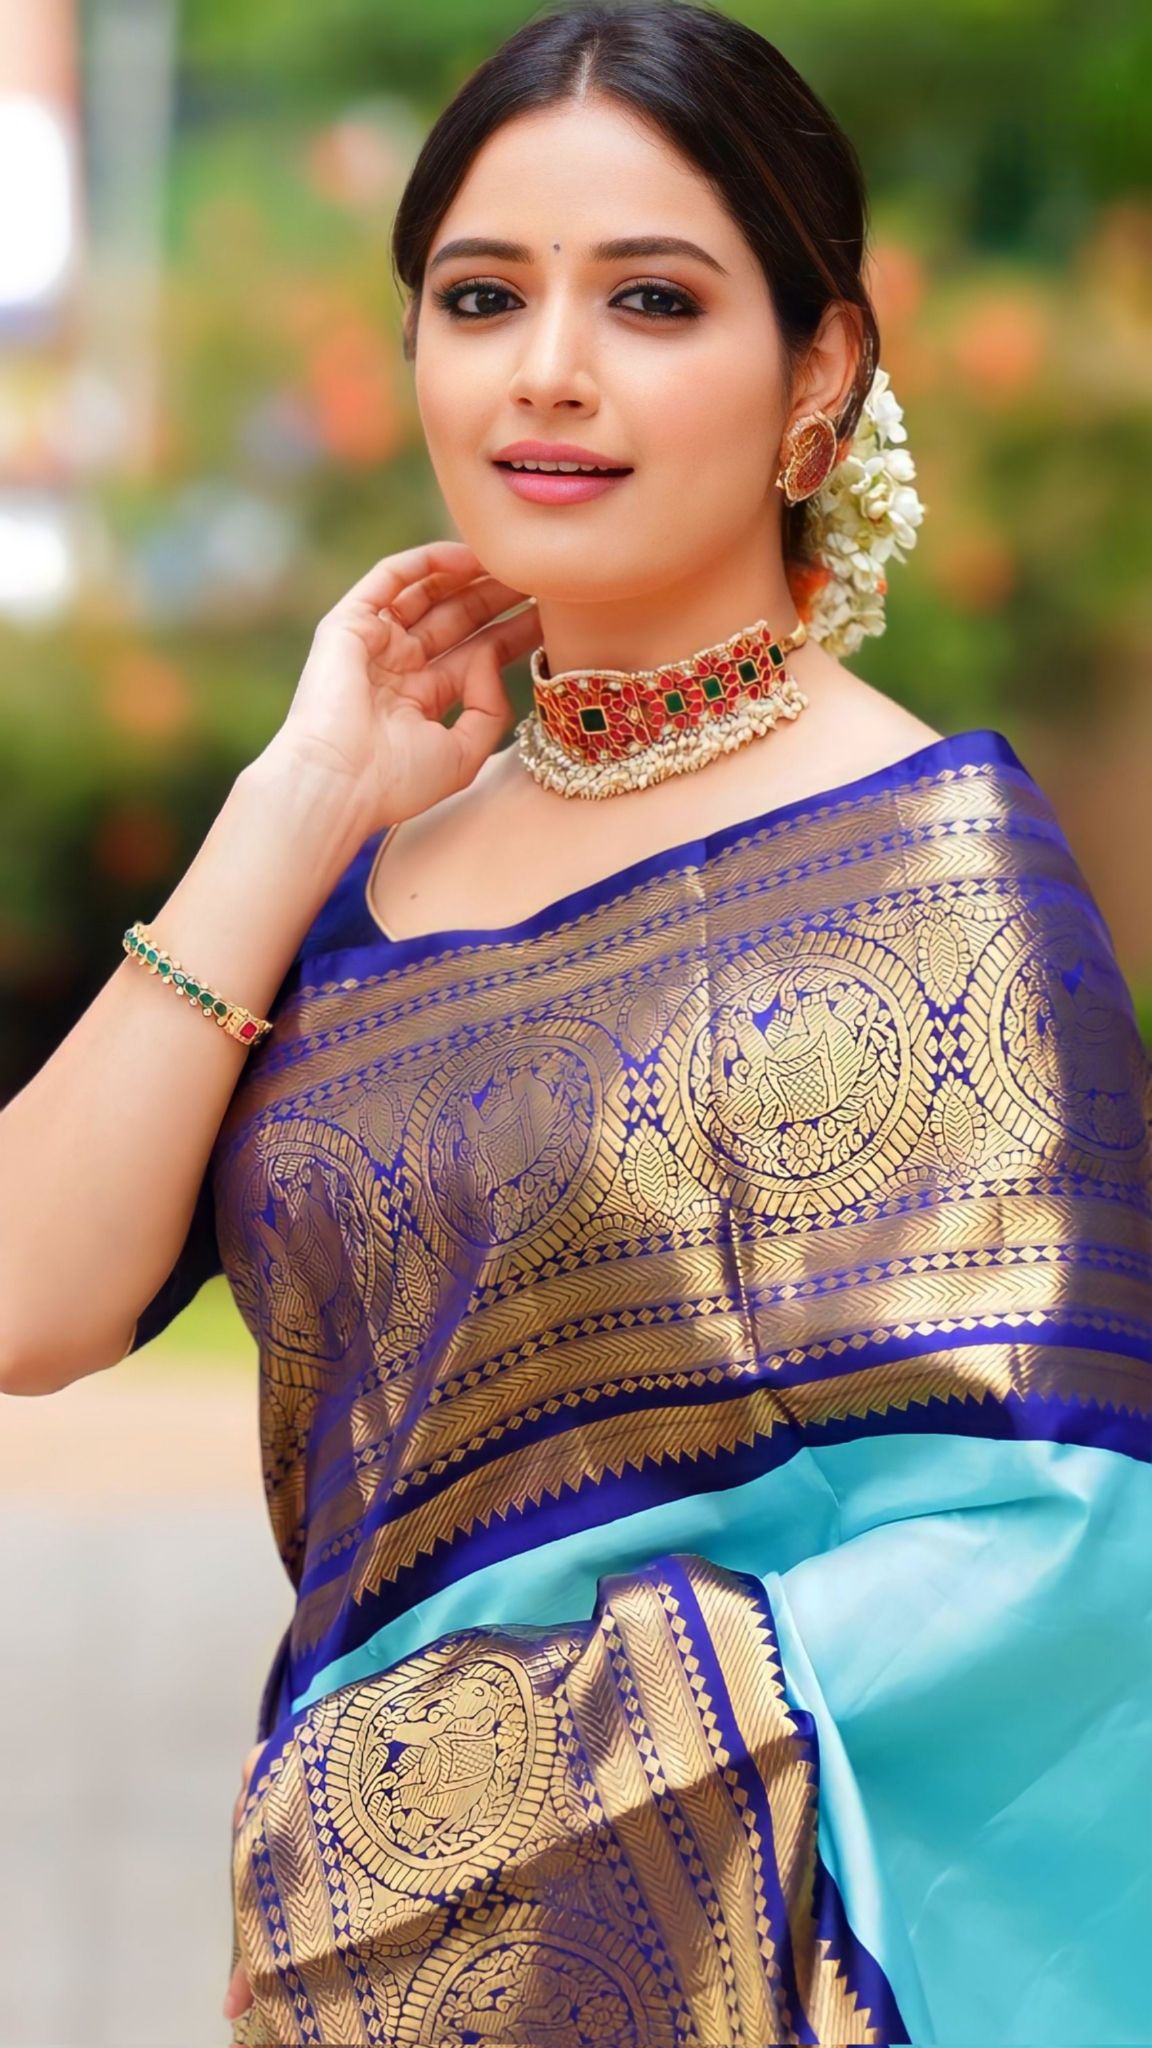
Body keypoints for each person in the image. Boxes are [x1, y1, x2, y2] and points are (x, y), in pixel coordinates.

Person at [3, 4, 1150, 2043]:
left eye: (652, 298)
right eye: (481, 297)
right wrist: (296, 797)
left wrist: (480, 1796)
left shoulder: (939, 866)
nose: (548, 366)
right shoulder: (355, 872)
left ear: (820, 371)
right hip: (350, 1981)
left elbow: (1067, 1559)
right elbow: (30, 1297)